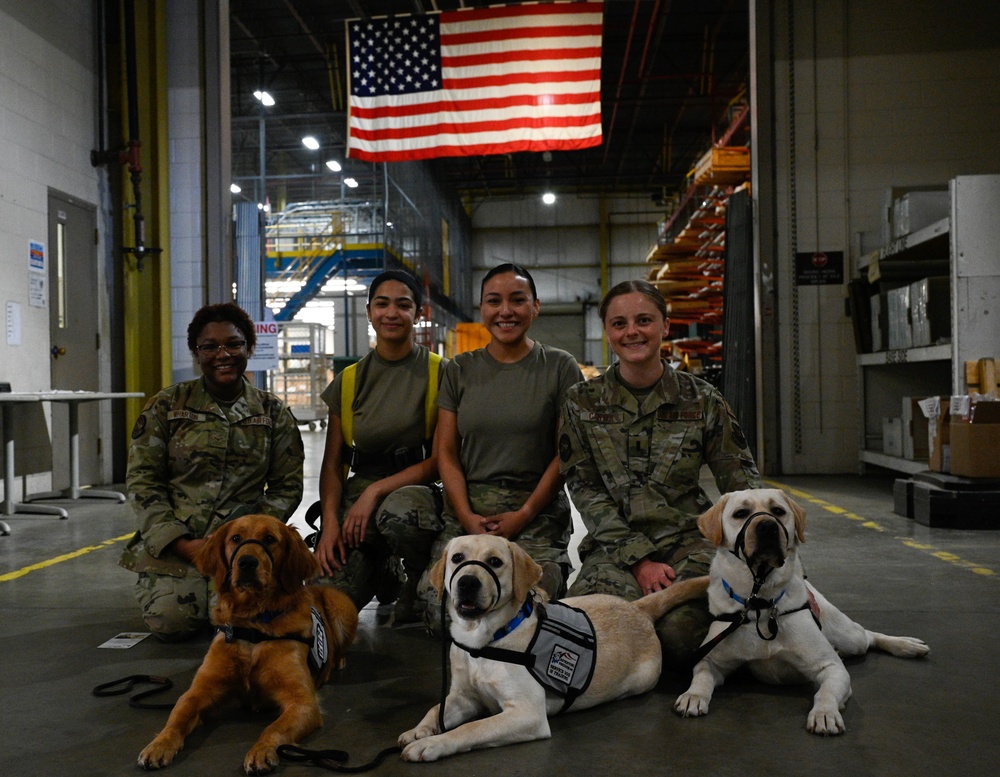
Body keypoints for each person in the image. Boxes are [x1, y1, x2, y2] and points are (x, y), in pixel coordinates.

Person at [558, 279, 763, 667]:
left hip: (691, 544)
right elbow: (584, 488)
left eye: (643, 320)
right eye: (619, 323)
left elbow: (744, 487)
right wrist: (639, 559)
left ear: (664, 326)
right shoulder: (582, 402)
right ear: (607, 332)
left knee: (680, 638)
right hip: (616, 548)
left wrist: (781, 568)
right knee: (579, 633)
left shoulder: (702, 399)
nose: (631, 331)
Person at [120, 302, 305, 641]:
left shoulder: (272, 412)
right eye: (210, 347)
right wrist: (180, 542)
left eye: (233, 344)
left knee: (243, 622)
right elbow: (143, 481)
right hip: (181, 544)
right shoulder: (166, 406)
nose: (223, 354)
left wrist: (250, 539)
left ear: (249, 347)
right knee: (171, 622)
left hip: (245, 550)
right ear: (196, 352)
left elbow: (287, 486)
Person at [421, 263, 584, 621]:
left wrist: (524, 514)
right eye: (494, 301)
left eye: (518, 300)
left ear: (535, 306)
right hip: (470, 505)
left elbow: (564, 453)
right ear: (482, 309)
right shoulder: (459, 370)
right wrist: (465, 515)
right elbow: (446, 453)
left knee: (531, 605)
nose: (505, 311)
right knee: (442, 612)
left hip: (536, 507)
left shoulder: (560, 367)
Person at [314, 269, 446, 625]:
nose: (392, 313)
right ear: (369, 312)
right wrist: (329, 525)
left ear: (417, 314)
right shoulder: (349, 380)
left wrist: (375, 491)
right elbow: (333, 464)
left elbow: (442, 459)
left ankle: (418, 574)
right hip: (360, 499)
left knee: (398, 512)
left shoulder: (441, 373)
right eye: (382, 304)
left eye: (403, 305)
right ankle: (382, 570)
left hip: (416, 492)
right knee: (325, 603)